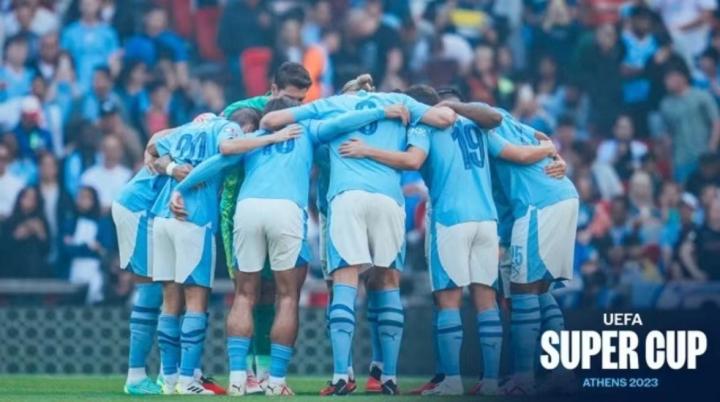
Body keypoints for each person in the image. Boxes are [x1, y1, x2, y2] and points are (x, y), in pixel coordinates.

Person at [173, 96, 411, 396]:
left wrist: (180, 188)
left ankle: (237, 379)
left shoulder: (255, 137)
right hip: (286, 210)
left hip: (247, 209)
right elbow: (343, 122)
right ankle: (275, 382)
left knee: (244, 295)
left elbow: (218, 161)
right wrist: (382, 110)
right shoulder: (307, 129)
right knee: (287, 296)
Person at [336, 85, 558, 396]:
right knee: (486, 301)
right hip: (486, 220)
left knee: (448, 301)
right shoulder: (477, 126)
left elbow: (413, 161)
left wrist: (367, 151)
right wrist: (550, 151)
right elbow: (514, 150)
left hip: (450, 219)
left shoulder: (424, 126)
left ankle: (451, 380)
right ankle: (489, 382)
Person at [260, 73, 456, 395]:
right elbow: (446, 117)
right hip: (389, 198)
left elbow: (271, 120)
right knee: (388, 282)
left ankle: (341, 375)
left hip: (346, 198)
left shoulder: (334, 104)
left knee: (344, 281)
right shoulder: (400, 101)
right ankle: (388, 377)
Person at [218, 61, 313, 393]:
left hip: (270, 206)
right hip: (237, 207)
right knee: (247, 290)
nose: (296, 106)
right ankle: (244, 373)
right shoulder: (242, 111)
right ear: (273, 90)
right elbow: (219, 142)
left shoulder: (302, 116)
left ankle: (261, 371)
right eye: (291, 98)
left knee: (272, 292)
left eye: (301, 101)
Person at [146, 113, 246, 395]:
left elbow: (153, 149)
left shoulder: (183, 130)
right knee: (195, 301)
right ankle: (188, 380)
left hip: (161, 218)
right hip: (194, 217)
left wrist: (172, 167)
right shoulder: (226, 128)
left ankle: (168, 379)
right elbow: (227, 151)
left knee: (169, 301)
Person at [485, 108, 579, 395]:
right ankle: (562, 372)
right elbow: (541, 137)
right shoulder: (502, 117)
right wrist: (552, 151)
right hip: (550, 199)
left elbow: (522, 154)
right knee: (539, 291)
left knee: (523, 290)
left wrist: (551, 151)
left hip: (537, 205)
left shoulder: (479, 127)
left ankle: (523, 379)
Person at [659, 64, 720, 182]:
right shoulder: (665, 105)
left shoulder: (702, 96)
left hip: (704, 155)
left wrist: (711, 148)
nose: (666, 82)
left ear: (682, 77)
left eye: (669, 78)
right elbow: (667, 136)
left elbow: (716, 123)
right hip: (681, 158)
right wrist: (671, 161)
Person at [61, 185, 112, 304]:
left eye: (87, 197)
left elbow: (106, 249)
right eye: (80, 197)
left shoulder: (102, 223)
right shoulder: (69, 221)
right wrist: (88, 247)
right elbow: (66, 249)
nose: (83, 201)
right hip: (72, 269)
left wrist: (79, 246)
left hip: (95, 268)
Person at [2, 186, 50, 278]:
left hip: (35, 272)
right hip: (11, 271)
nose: (29, 200)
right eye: (26, 196)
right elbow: (3, 248)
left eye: (33, 198)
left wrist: (41, 233)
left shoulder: (42, 222)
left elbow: (46, 250)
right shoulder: (9, 221)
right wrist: (16, 236)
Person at [80, 135, 132, 213]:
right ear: (101, 151)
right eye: (107, 149)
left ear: (121, 151)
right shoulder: (88, 175)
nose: (110, 153)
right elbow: (83, 202)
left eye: (114, 149)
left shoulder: (128, 176)